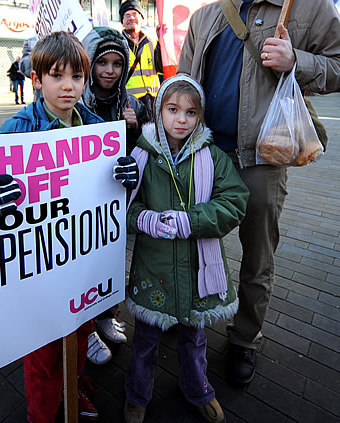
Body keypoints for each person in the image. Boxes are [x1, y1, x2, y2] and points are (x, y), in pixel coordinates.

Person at [177, 0, 340, 386]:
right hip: (206, 157)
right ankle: (182, 316)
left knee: (258, 256)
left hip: (263, 160)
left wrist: (296, 60)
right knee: (189, 244)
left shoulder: (308, 7)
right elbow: (185, 83)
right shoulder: (207, 15)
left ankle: (244, 337)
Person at [123, 75, 249, 423]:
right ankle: (137, 393)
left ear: (201, 117)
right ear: (158, 111)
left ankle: (198, 389)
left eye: (191, 113)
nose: (181, 119)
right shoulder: (141, 156)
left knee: (194, 338)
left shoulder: (212, 157)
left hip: (198, 271)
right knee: (146, 339)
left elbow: (235, 200)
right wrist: (144, 219)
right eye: (173, 109)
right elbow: (120, 204)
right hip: (154, 269)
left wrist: (192, 221)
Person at [0, 30, 105, 423]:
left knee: (77, 336)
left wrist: (124, 176)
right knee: (41, 352)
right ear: (37, 79)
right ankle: (41, 413)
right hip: (39, 269)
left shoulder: (96, 127)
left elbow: (106, 193)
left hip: (80, 260)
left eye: (76, 77)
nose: (68, 86)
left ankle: (72, 389)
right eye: (57, 76)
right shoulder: (15, 130)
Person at [80, 26, 148, 365]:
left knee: (110, 260)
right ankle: (85, 328)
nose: (110, 71)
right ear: (90, 64)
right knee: (82, 265)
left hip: (116, 201)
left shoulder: (131, 102)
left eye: (117, 64)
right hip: (80, 202)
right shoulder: (76, 101)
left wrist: (134, 130)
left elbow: (142, 156)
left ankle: (107, 315)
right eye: (102, 63)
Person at [119, 0, 161, 119]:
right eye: (127, 15)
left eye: (135, 14)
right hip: (131, 102)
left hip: (154, 99)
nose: (131, 18)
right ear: (122, 22)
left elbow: (161, 68)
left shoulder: (152, 42)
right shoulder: (118, 44)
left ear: (142, 19)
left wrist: (161, 42)